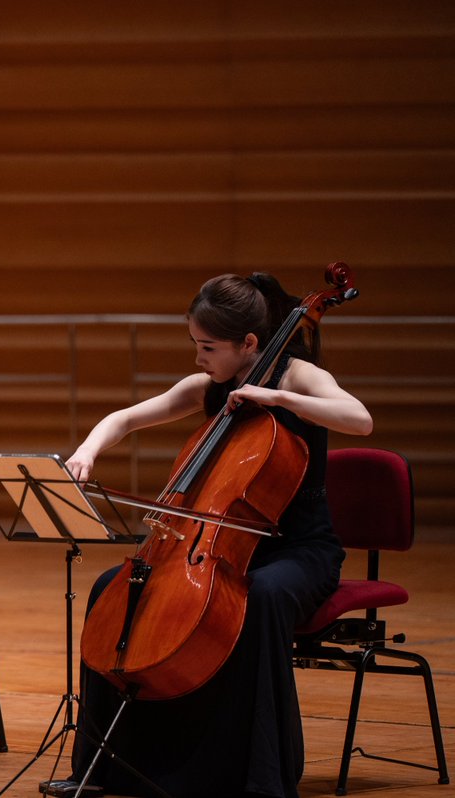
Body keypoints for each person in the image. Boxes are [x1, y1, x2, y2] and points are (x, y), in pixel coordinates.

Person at [44, 273, 373, 798]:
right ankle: (100, 766)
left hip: (298, 549)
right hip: (212, 546)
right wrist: (88, 450)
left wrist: (277, 398)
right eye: (195, 345)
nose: (198, 359)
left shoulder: (299, 376)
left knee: (260, 599)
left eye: (208, 348)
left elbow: (359, 419)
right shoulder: (209, 388)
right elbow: (124, 418)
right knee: (113, 587)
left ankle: (262, 777)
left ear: (249, 344)